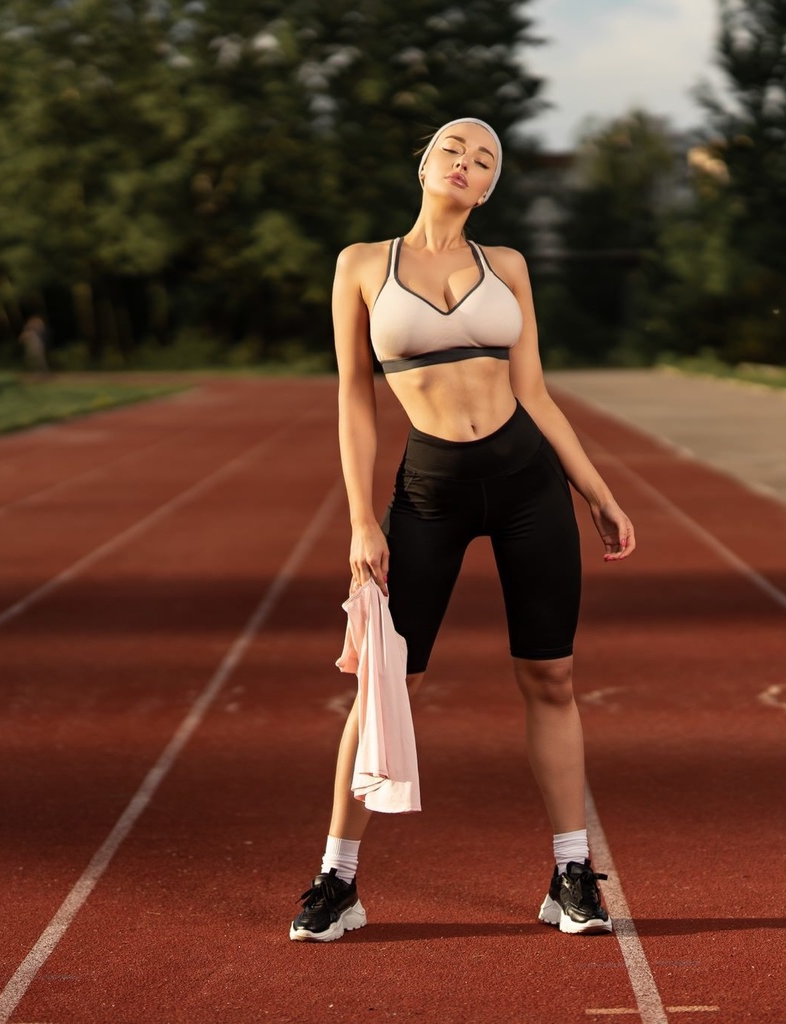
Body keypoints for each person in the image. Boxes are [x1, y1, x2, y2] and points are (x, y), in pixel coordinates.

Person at [289, 117, 637, 943]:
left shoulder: (506, 267)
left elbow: (538, 393)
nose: (466, 163)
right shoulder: (361, 266)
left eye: (484, 160)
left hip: (527, 486)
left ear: (488, 188)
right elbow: (352, 398)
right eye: (454, 148)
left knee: (551, 679)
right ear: (425, 164)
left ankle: (570, 872)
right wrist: (359, 520)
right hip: (431, 493)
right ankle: (337, 879)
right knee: (387, 690)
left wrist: (597, 491)